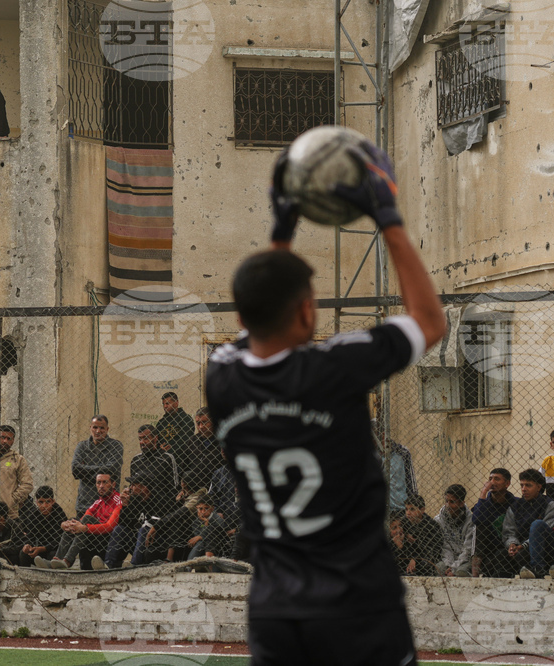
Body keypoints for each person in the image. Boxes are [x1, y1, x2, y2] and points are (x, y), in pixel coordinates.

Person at [205, 140, 445, 665]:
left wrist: (280, 235)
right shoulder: (337, 367)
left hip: (275, 609)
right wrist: (390, 221)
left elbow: (262, 308)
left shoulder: (221, 376)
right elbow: (430, 322)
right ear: (308, 313)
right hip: (358, 604)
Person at [38, 473, 121, 570]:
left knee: (85, 521)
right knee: (74, 521)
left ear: (113, 484)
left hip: (108, 539)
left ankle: (67, 560)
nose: (101, 486)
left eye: (105, 482)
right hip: (94, 536)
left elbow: (109, 526)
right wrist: (70, 524)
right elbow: (81, 521)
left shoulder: (118, 500)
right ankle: (57, 560)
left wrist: (85, 528)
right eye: (98, 483)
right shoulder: (98, 502)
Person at [96, 473, 173, 570]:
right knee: (120, 529)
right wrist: (125, 506)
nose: (130, 488)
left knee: (144, 529)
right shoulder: (136, 500)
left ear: (143, 487)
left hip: (157, 544)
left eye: (133, 485)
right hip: (140, 543)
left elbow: (154, 525)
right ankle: (108, 565)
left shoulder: (160, 500)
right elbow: (125, 524)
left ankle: (134, 565)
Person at [501, 469, 554, 578]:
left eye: (528, 485)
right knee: (501, 556)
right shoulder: (515, 506)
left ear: (539, 487)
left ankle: (537, 572)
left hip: (543, 547)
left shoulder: (549, 505)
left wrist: (523, 546)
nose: (524, 489)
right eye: (522, 485)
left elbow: (547, 530)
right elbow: (509, 530)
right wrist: (512, 545)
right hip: (519, 545)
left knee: (522, 555)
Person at [71, 415, 123, 516]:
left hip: (108, 505)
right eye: (95, 427)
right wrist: (102, 472)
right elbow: (75, 470)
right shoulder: (82, 446)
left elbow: (112, 469)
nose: (98, 431)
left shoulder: (116, 446)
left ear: (107, 429)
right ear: (90, 427)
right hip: (84, 504)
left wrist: (85, 471)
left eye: (102, 428)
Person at [471, 468, 516, 577]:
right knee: (480, 528)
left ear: (507, 483)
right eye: (490, 479)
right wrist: (483, 493)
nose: (492, 482)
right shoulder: (483, 504)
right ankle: (474, 575)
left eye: (497, 479)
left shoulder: (516, 504)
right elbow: (477, 520)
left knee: (500, 557)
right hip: (489, 549)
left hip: (509, 548)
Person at [17, 486, 68, 567]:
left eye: (48, 502)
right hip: (39, 550)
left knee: (53, 555)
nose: (44, 506)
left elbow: (59, 539)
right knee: (23, 553)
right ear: (37, 502)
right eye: (41, 502)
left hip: (54, 549)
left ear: (53, 502)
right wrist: (27, 545)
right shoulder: (33, 515)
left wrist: (43, 548)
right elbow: (30, 536)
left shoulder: (59, 514)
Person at [130, 424, 178, 505]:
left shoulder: (166, 459)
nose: (142, 442)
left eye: (146, 438)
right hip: (138, 507)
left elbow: (173, 488)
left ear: (155, 438)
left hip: (161, 506)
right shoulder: (136, 460)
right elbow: (132, 486)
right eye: (140, 439)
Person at [433, 484, 474, 577]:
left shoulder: (471, 521)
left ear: (461, 503)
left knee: (461, 572)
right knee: (439, 568)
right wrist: (449, 565)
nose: (448, 505)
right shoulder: (438, 520)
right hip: (447, 559)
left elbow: (468, 549)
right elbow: (444, 546)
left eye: (452, 502)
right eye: (446, 501)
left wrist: (454, 568)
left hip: (465, 560)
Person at [179, 407, 221, 490]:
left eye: (204, 422)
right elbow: (184, 468)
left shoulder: (222, 441)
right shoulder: (192, 442)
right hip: (194, 491)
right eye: (198, 423)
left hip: (217, 490)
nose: (201, 427)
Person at [402, 494, 443, 577]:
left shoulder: (431, 526)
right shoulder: (404, 523)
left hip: (426, 558)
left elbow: (432, 549)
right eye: (406, 509)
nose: (408, 513)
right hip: (408, 556)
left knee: (424, 565)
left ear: (422, 510)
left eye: (412, 509)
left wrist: (415, 559)